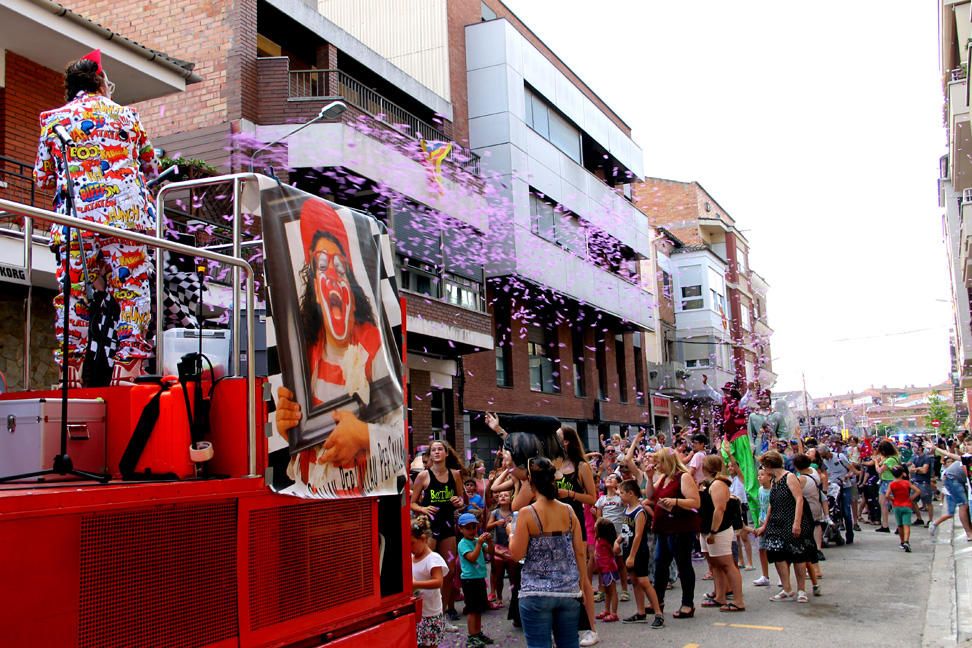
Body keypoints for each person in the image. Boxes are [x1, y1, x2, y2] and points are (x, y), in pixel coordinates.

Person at [35, 50, 159, 386]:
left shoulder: (52, 120)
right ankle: (127, 367)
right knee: (132, 288)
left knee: (73, 294)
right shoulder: (128, 116)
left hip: (77, 220)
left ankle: (70, 372)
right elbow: (151, 166)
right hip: (126, 219)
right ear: (101, 83)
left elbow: (42, 178)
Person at [510, 456, 586, 648]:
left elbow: (517, 554)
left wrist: (511, 534)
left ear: (530, 481)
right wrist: (582, 584)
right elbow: (579, 552)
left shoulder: (527, 513)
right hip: (568, 591)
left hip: (535, 592)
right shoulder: (569, 510)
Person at [410, 440, 466, 622]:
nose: (436, 452)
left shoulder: (455, 475)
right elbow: (412, 503)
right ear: (430, 455)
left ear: (446, 453)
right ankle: (424, 611)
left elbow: (461, 501)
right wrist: (423, 509)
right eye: (433, 450)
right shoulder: (423, 476)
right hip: (429, 528)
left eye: (440, 449)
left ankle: (442, 612)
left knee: (448, 570)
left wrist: (459, 503)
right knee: (427, 569)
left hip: (448, 526)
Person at [755, 450, 816, 604]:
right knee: (778, 554)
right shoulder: (774, 481)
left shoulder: (789, 477)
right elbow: (771, 505)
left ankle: (801, 590)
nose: (763, 469)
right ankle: (787, 588)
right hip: (777, 522)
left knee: (798, 555)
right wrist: (765, 525)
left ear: (770, 465)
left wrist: (796, 523)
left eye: (764, 465)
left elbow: (799, 499)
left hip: (790, 520)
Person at [651, 447, 701, 619]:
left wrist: (675, 501)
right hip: (664, 528)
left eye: (658, 462)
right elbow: (650, 496)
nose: (656, 465)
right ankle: (658, 601)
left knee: (683, 564)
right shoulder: (664, 478)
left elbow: (695, 502)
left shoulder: (683, 476)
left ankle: (688, 603)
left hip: (680, 528)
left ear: (667, 461)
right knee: (660, 563)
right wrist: (650, 478)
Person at [699, 455, 746, 612]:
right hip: (707, 530)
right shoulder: (709, 484)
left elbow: (719, 509)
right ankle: (720, 596)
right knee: (715, 565)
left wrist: (713, 531)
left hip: (719, 530)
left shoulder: (718, 484)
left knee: (727, 564)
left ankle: (738, 600)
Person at [617, 479, 664, 628]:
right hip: (627, 549)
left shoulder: (639, 511)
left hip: (638, 552)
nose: (620, 496)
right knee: (635, 582)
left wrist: (632, 555)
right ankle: (640, 612)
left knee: (644, 581)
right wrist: (617, 542)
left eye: (622, 493)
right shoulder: (627, 509)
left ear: (631, 493)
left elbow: (638, 535)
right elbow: (626, 530)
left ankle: (658, 613)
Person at [411, 516, 449, 648]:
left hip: (430, 615)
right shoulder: (411, 557)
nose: (409, 547)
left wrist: (415, 584)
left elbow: (438, 582)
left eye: (412, 543)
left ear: (424, 539)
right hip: (417, 613)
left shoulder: (433, 559)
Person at [458, 513, 493, 647]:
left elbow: (491, 552)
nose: (472, 531)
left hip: (479, 579)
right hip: (469, 581)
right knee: (472, 609)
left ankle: (478, 633)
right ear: (461, 529)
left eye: (474, 527)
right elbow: (472, 558)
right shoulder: (463, 544)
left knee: (478, 609)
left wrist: (489, 542)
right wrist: (479, 544)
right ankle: (472, 636)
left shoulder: (476, 540)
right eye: (468, 528)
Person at [594, 474, 630, 603]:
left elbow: (627, 506)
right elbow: (599, 518)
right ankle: (602, 590)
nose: (609, 478)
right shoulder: (601, 499)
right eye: (608, 477)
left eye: (613, 478)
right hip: (604, 535)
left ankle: (624, 590)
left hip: (618, 534)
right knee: (602, 564)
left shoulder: (620, 498)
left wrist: (619, 491)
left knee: (620, 562)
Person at [928, 445, 972, 541]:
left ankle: (969, 531)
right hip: (952, 479)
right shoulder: (967, 458)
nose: (968, 447)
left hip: (957, 480)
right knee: (963, 505)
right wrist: (935, 448)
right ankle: (969, 533)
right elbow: (949, 454)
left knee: (963, 507)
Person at [487, 489, 515, 608]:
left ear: (511, 499)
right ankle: (499, 596)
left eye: (506, 495)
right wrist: (496, 523)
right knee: (498, 574)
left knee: (513, 573)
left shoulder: (515, 512)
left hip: (511, 545)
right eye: (500, 496)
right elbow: (487, 526)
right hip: (498, 546)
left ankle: (514, 596)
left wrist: (513, 521)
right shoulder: (495, 512)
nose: (503, 497)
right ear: (497, 499)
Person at [593, 518, 620, 623]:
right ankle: (607, 610)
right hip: (603, 570)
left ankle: (614, 613)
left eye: (597, 524)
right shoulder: (599, 539)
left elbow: (615, 551)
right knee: (607, 591)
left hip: (609, 569)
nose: (595, 525)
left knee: (612, 591)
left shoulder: (607, 542)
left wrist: (616, 547)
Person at [888, 467, 921, 552]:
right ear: (902, 474)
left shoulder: (892, 484)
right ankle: (907, 541)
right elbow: (918, 491)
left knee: (900, 525)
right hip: (907, 505)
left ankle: (902, 541)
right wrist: (911, 498)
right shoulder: (906, 482)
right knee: (906, 524)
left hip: (897, 506)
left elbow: (887, 495)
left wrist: (893, 499)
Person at [751, 467, 773, 587]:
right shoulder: (760, 490)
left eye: (762, 475)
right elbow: (761, 506)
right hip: (762, 520)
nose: (759, 477)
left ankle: (781, 576)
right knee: (761, 548)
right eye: (758, 475)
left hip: (772, 523)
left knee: (775, 549)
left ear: (770, 477)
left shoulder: (773, 490)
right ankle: (765, 575)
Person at [873, 440, 901, 533]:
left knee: (893, 504)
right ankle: (885, 525)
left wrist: (876, 462)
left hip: (890, 482)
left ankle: (898, 526)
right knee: (883, 504)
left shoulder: (890, 460)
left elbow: (880, 470)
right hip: (885, 482)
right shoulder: (893, 457)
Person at [909, 443, 935, 527]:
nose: (913, 449)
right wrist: (918, 469)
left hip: (924, 483)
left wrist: (916, 469)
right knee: (912, 500)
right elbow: (911, 470)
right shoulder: (915, 458)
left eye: (915, 447)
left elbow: (924, 471)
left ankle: (930, 520)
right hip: (916, 482)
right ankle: (919, 518)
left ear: (920, 448)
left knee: (928, 502)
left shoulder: (926, 458)